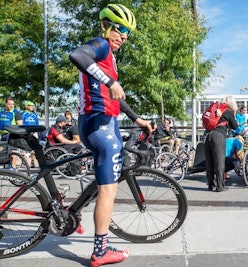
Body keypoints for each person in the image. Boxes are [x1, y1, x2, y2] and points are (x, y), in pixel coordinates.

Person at [69, 4, 152, 266]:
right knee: (108, 188)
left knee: (106, 178)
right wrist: (110, 82)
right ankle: (100, 251)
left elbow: (117, 95)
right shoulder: (99, 45)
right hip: (99, 124)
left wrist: (136, 117)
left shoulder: (109, 56)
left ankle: (72, 213)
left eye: (129, 32)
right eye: (121, 29)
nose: (125, 36)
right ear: (106, 25)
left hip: (104, 122)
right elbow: (77, 56)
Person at [204, 96, 238, 192]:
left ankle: (211, 184)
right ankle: (220, 186)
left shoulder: (215, 110)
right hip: (218, 136)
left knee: (209, 161)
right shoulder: (227, 112)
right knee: (219, 161)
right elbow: (235, 126)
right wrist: (233, 115)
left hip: (207, 135)